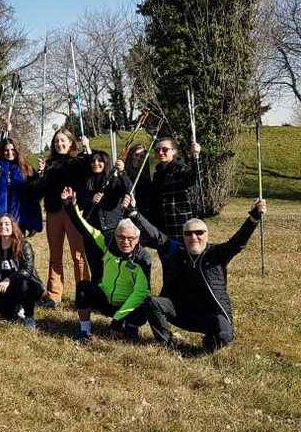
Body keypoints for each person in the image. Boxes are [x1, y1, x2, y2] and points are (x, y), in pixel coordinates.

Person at [125, 194, 266, 352]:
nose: (194, 237)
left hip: (208, 316)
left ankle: (208, 343)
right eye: (188, 234)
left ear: (206, 235)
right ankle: (168, 344)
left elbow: (238, 242)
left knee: (226, 336)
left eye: (199, 233)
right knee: (152, 302)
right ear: (183, 237)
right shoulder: (176, 251)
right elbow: (156, 236)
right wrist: (134, 213)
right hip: (180, 312)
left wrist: (253, 218)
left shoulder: (217, 254)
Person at [61, 187, 150, 343]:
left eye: (130, 238)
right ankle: (84, 331)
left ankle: (130, 328)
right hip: (106, 301)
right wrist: (70, 206)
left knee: (144, 304)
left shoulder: (143, 258)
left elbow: (140, 293)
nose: (125, 242)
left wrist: (117, 318)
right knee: (83, 287)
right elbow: (85, 228)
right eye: (121, 237)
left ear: (137, 239)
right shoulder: (108, 243)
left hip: (128, 305)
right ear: (115, 236)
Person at [32, 128, 91, 308]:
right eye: (57, 141)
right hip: (54, 212)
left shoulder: (79, 161)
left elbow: (91, 171)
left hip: (73, 212)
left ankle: (84, 294)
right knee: (55, 255)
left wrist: (88, 148)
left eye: (63, 140)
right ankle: (54, 294)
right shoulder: (49, 164)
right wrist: (41, 174)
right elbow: (38, 191)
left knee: (78, 255)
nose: (60, 144)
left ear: (71, 142)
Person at [0, 135, 41, 234]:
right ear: (2, 151)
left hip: (18, 220)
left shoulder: (26, 169)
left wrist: (33, 222)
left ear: (17, 150)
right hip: (0, 220)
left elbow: (33, 197)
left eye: (12, 149)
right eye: (6, 150)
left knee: (16, 246)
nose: (9, 153)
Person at [0, 215, 44, 328]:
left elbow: (27, 270)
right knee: (1, 314)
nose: (3, 226)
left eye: (7, 224)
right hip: (7, 287)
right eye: (0, 224)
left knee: (23, 284)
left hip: (28, 285)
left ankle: (29, 316)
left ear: (13, 226)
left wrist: (9, 279)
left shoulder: (23, 245)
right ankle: (16, 308)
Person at [146, 138, 201, 239]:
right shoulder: (157, 174)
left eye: (165, 149)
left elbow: (195, 177)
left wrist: (195, 156)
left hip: (179, 225)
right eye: (158, 150)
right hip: (162, 227)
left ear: (174, 151)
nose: (161, 152)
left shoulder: (181, 169)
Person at [78, 151, 131, 239]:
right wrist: (91, 199)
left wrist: (122, 172)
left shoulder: (114, 179)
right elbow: (80, 203)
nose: (96, 163)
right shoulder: (85, 182)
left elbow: (129, 189)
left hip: (112, 228)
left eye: (100, 160)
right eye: (93, 161)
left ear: (106, 162)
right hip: (91, 228)